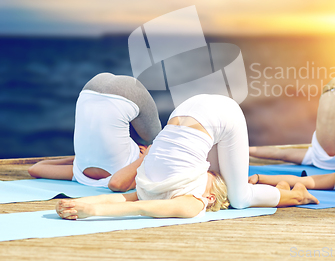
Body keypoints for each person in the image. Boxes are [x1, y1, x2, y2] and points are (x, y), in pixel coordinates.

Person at [56, 94, 318, 220]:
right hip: (218, 114)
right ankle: (298, 194)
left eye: (213, 173)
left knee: (238, 199)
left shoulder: (181, 197)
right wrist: (90, 209)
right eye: (213, 172)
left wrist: (85, 205)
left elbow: (132, 202)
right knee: (240, 199)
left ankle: (289, 191)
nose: (211, 169)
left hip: (191, 108)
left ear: (210, 197)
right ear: (210, 198)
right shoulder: (192, 199)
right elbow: (138, 204)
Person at [28, 72, 162, 191]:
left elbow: (34, 169)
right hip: (90, 91)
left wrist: (146, 156)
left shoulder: (78, 173)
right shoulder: (79, 173)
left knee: (158, 141)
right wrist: (146, 158)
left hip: (111, 89)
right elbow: (36, 169)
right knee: (156, 140)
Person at [249, 75, 335, 169]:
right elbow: (280, 153)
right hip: (332, 90)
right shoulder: (318, 157)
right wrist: (245, 150)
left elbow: (279, 153)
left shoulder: (325, 157)